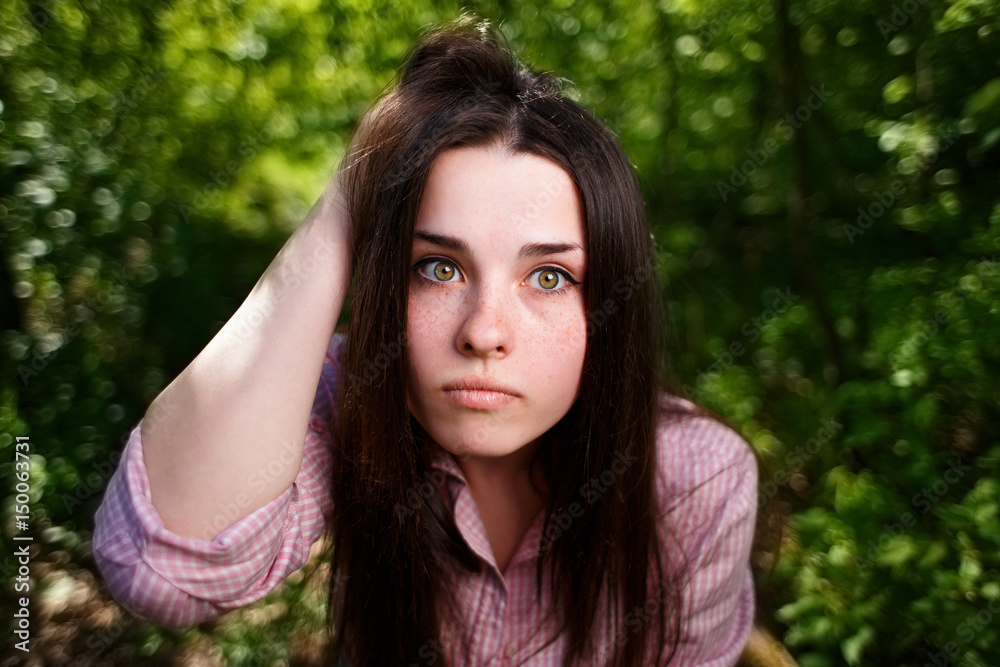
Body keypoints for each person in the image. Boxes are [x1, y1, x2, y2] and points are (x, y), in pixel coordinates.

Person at [93, 17, 759, 667]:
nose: (483, 332)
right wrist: (356, 190)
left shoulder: (697, 480)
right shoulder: (354, 394)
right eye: (439, 268)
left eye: (550, 277)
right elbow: (162, 569)